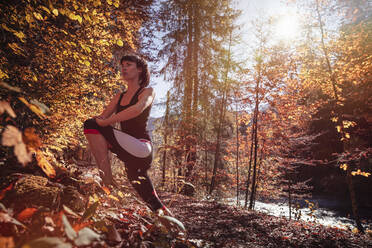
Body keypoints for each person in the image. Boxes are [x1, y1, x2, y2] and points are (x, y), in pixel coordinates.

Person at [83, 54, 169, 215]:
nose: (123, 68)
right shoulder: (119, 96)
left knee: (91, 124)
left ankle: (107, 183)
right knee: (151, 200)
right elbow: (103, 117)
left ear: (140, 70)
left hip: (141, 147)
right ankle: (175, 229)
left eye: (128, 65)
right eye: (122, 65)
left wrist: (105, 122)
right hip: (128, 149)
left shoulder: (147, 92)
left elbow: (137, 109)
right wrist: (101, 120)